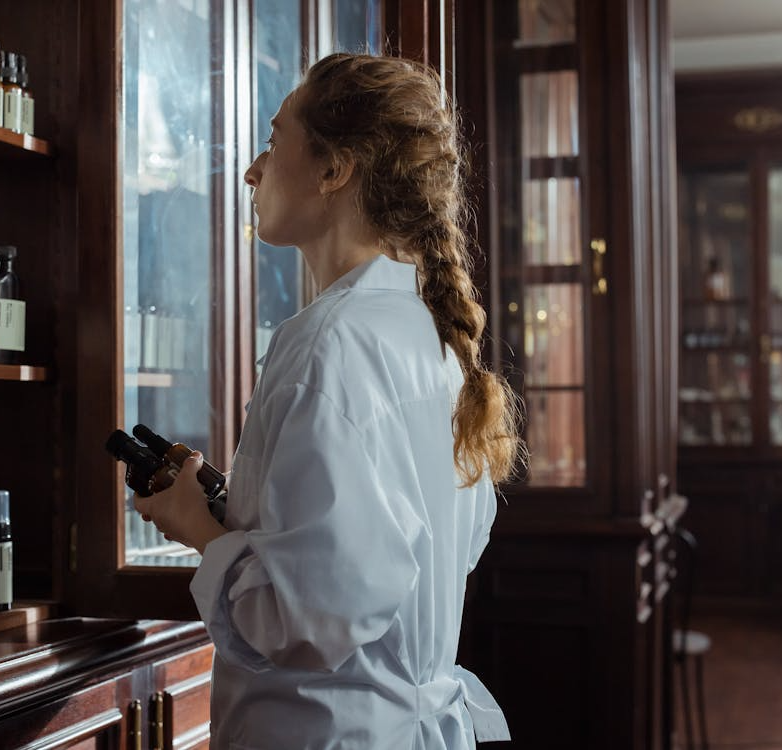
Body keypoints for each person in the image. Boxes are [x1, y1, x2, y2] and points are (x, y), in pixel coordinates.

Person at [133, 52, 523, 749]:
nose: (251, 170)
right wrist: (244, 518)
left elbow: (301, 621)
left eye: (274, 139)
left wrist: (201, 527)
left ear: (334, 168)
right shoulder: (423, 332)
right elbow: (395, 562)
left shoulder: (330, 343)